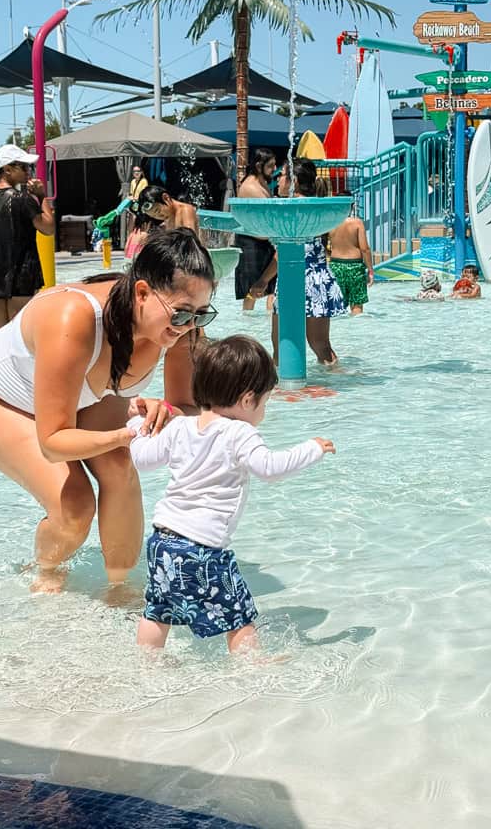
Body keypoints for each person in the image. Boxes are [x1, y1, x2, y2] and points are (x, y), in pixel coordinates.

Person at [0, 228, 218, 593]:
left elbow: (188, 408)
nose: (190, 326)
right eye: (181, 315)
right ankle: (46, 569)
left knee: (119, 467)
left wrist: (164, 411)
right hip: (3, 397)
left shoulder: (181, 326)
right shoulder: (73, 317)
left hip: (86, 395)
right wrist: (124, 434)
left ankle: (120, 589)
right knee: (75, 507)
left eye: (202, 315)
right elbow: (53, 442)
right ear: (142, 293)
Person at [128, 335, 335, 653]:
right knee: (239, 616)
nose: (263, 411)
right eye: (265, 402)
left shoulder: (180, 426)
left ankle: (147, 661)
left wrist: (136, 424)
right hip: (204, 546)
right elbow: (270, 468)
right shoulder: (240, 432)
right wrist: (313, 448)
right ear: (248, 400)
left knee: (158, 610)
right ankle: (251, 668)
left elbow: (142, 459)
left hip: (162, 540)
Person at [251, 160, 347, 366]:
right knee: (320, 345)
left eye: (282, 175)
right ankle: (336, 379)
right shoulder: (313, 206)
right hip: (315, 279)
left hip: (299, 278)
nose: (278, 179)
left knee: (282, 346)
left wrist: (262, 280)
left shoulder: (291, 209)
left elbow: (283, 252)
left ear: (293, 180)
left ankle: (283, 383)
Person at [0, 145, 55, 335]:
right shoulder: (23, 199)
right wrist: (41, 196)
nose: (28, 171)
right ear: (8, 169)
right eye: (24, 167)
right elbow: (48, 228)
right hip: (22, 273)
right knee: (20, 335)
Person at [234, 148, 278, 314]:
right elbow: (270, 216)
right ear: (259, 166)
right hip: (251, 242)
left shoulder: (261, 183)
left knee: (270, 287)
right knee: (251, 290)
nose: (274, 169)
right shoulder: (251, 187)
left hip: (262, 241)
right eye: (271, 165)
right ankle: (247, 321)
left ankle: (270, 317)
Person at [328, 212, 374, 315]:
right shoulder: (357, 223)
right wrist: (370, 270)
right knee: (356, 306)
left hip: (336, 265)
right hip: (355, 266)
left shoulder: (330, 223)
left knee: (337, 305)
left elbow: (322, 244)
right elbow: (365, 249)